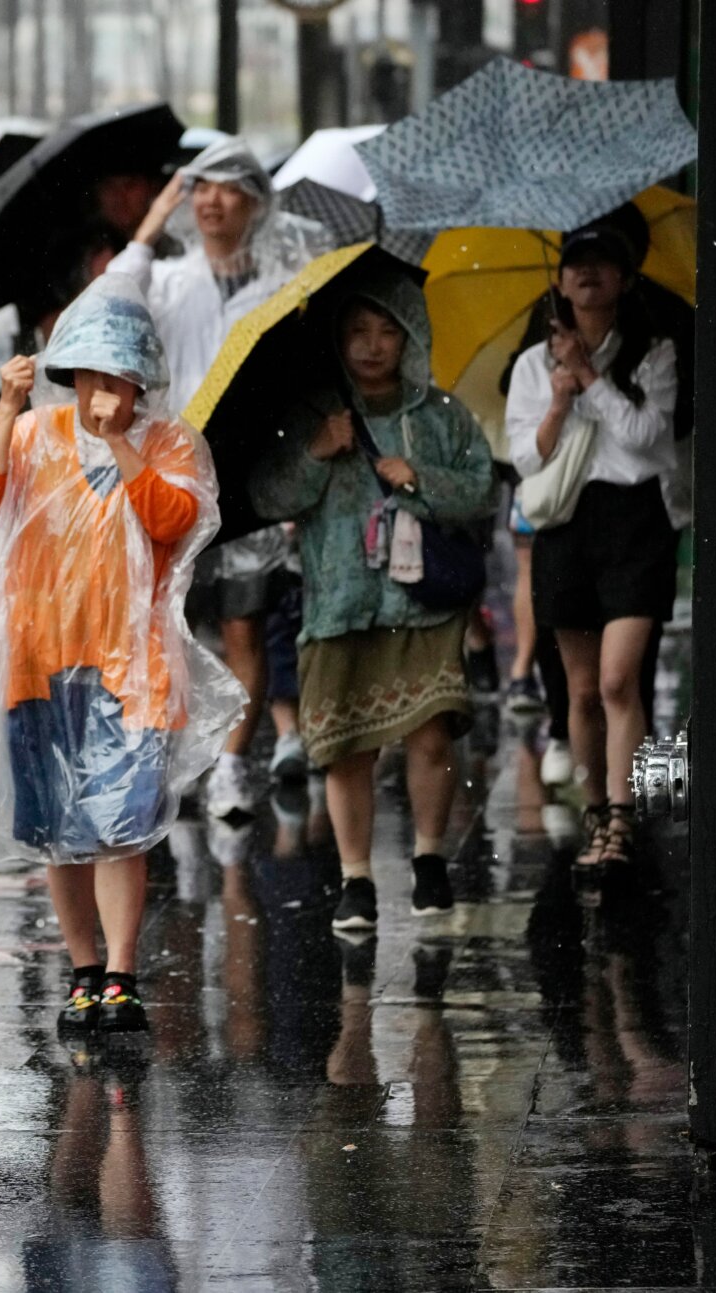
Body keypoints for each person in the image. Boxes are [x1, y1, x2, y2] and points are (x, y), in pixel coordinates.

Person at [0, 271, 239, 1037]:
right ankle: (80, 971)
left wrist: (117, 441)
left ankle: (120, 972)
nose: (103, 390)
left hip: (131, 665)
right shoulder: (33, 432)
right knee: (59, 829)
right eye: (89, 374)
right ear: (67, 372)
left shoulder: (169, 441)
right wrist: (6, 407)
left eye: (120, 376)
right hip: (39, 658)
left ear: (142, 379)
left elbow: (173, 520)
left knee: (120, 824)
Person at [251, 269, 495, 930]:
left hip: (424, 604)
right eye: (358, 330)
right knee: (344, 746)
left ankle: (430, 858)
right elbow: (269, 497)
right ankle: (355, 878)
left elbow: (482, 492)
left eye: (389, 330)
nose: (373, 344)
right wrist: (315, 451)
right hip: (341, 602)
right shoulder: (311, 411)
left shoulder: (442, 416)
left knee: (431, 730)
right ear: (337, 336)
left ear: (410, 337)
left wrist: (421, 477)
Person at [118, 138, 333, 818]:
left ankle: (234, 763)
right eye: (201, 187)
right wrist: (149, 229)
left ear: (256, 202)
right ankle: (180, 761)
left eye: (228, 187)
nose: (212, 200)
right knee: (173, 628)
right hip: (170, 471)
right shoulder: (167, 282)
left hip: (247, 475)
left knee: (243, 624)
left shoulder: (285, 290)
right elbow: (112, 309)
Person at [505, 218, 684, 868]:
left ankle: (624, 814)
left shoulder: (654, 352)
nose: (588, 273)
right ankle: (594, 806)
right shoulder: (532, 365)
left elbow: (644, 436)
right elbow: (526, 458)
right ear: (560, 280)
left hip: (637, 521)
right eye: (577, 262)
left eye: (604, 263)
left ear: (626, 278)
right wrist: (557, 400)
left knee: (617, 682)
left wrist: (593, 381)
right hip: (567, 528)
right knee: (580, 692)